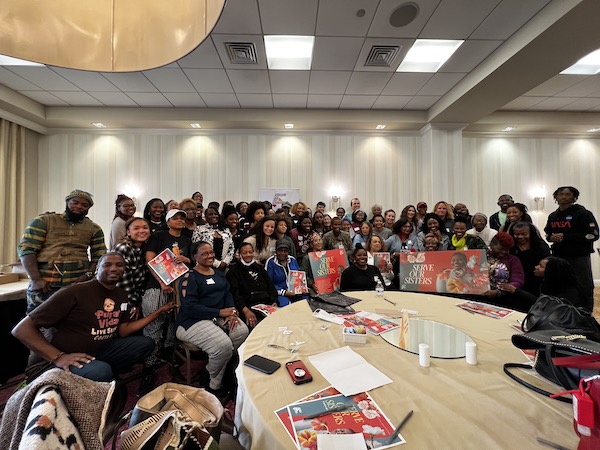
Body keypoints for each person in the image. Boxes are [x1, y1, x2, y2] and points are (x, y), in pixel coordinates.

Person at [12, 252, 175, 382]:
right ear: (97, 268)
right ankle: (95, 375)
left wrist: (159, 311)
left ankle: (100, 374)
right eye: (107, 264)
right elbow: (21, 329)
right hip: (56, 359)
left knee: (146, 344)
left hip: (96, 351)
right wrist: (58, 357)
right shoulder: (74, 292)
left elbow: (124, 331)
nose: (114, 268)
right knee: (101, 371)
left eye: (119, 265)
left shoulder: (120, 295)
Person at [176, 241, 249, 399]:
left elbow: (227, 294)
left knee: (242, 331)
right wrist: (220, 312)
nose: (210, 256)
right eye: (204, 253)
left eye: (211, 252)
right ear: (195, 257)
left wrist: (231, 312)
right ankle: (213, 384)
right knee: (223, 345)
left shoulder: (219, 274)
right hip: (191, 321)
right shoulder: (190, 277)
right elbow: (189, 307)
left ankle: (209, 369)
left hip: (218, 316)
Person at [18, 189, 107, 313]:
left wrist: (87, 275)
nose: (79, 207)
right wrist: (36, 279)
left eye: (84, 205)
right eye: (75, 202)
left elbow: (100, 256)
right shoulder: (44, 221)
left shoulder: (94, 228)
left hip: (76, 285)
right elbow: (26, 249)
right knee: (36, 322)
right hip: (45, 285)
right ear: (67, 202)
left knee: (71, 324)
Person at [141, 209, 193, 387]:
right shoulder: (158, 236)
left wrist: (186, 260)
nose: (179, 220)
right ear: (168, 220)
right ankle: (148, 368)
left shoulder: (187, 239)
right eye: (175, 217)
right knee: (154, 325)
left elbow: (192, 263)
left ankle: (168, 357)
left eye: (182, 218)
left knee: (173, 323)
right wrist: (162, 282)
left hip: (179, 288)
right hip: (158, 287)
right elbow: (150, 260)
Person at [544, 186, 599, 310]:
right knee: (559, 285)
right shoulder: (553, 216)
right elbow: (548, 234)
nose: (564, 197)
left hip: (578, 256)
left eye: (568, 194)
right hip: (558, 256)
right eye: (561, 194)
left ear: (574, 197)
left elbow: (593, 235)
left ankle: (585, 313)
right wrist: (551, 238)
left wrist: (566, 236)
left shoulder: (584, 214)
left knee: (582, 285)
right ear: (555, 197)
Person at [500, 256, 591, 310]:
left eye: (541, 266)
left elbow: (546, 306)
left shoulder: (571, 291)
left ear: (551, 271)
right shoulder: (548, 283)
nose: (536, 267)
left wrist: (517, 291)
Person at [227, 242, 278, 327]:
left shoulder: (260, 268)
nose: (248, 255)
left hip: (266, 305)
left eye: (250, 252)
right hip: (248, 308)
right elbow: (235, 294)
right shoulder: (233, 272)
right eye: (244, 253)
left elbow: (271, 286)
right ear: (239, 254)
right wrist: (246, 311)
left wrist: (274, 301)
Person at [113, 217, 151, 315]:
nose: (141, 231)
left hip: (137, 299)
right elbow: (123, 284)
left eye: (145, 228)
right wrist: (133, 305)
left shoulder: (147, 250)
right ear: (128, 232)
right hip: (121, 301)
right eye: (136, 228)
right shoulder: (124, 249)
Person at [481, 233, 526, 311]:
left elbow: (518, 280)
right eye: (501, 249)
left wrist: (499, 292)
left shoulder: (513, 260)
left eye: (507, 249)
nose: (504, 252)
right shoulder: (481, 255)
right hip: (478, 295)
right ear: (492, 245)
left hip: (502, 298)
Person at [509, 221, 550, 298]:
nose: (520, 237)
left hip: (536, 280)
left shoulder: (540, 246)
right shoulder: (511, 247)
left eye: (524, 234)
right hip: (516, 280)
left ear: (531, 233)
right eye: (517, 234)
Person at [192, 206, 235, 271]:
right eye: (210, 214)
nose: (214, 216)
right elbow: (196, 248)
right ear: (205, 217)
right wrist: (217, 264)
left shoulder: (225, 230)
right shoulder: (199, 229)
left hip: (224, 267)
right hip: (205, 266)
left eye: (215, 214)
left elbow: (231, 248)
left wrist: (225, 262)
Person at [265, 240, 303, 307]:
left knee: (305, 304)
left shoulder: (292, 260)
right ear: (276, 251)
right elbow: (268, 284)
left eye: (285, 251)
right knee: (286, 307)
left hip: (295, 291)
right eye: (280, 250)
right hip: (279, 293)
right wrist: (284, 292)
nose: (282, 253)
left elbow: (299, 276)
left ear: (288, 252)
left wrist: (303, 286)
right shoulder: (271, 262)